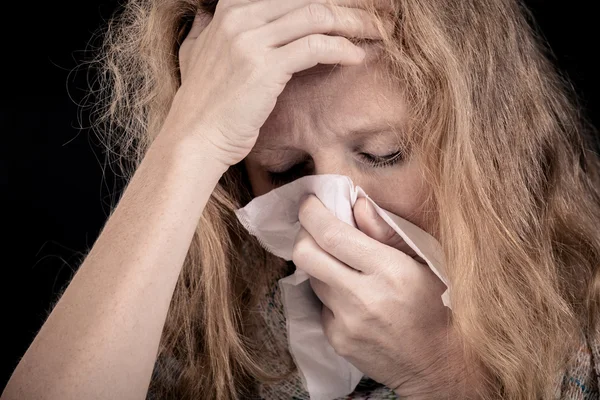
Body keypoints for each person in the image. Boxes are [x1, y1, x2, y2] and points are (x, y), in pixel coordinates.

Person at [2, 0, 599, 398]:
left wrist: (444, 372)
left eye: (384, 154)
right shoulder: (222, 333)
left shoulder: (585, 321)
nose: (326, 215)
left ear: (484, 142)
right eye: (284, 171)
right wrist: (190, 140)